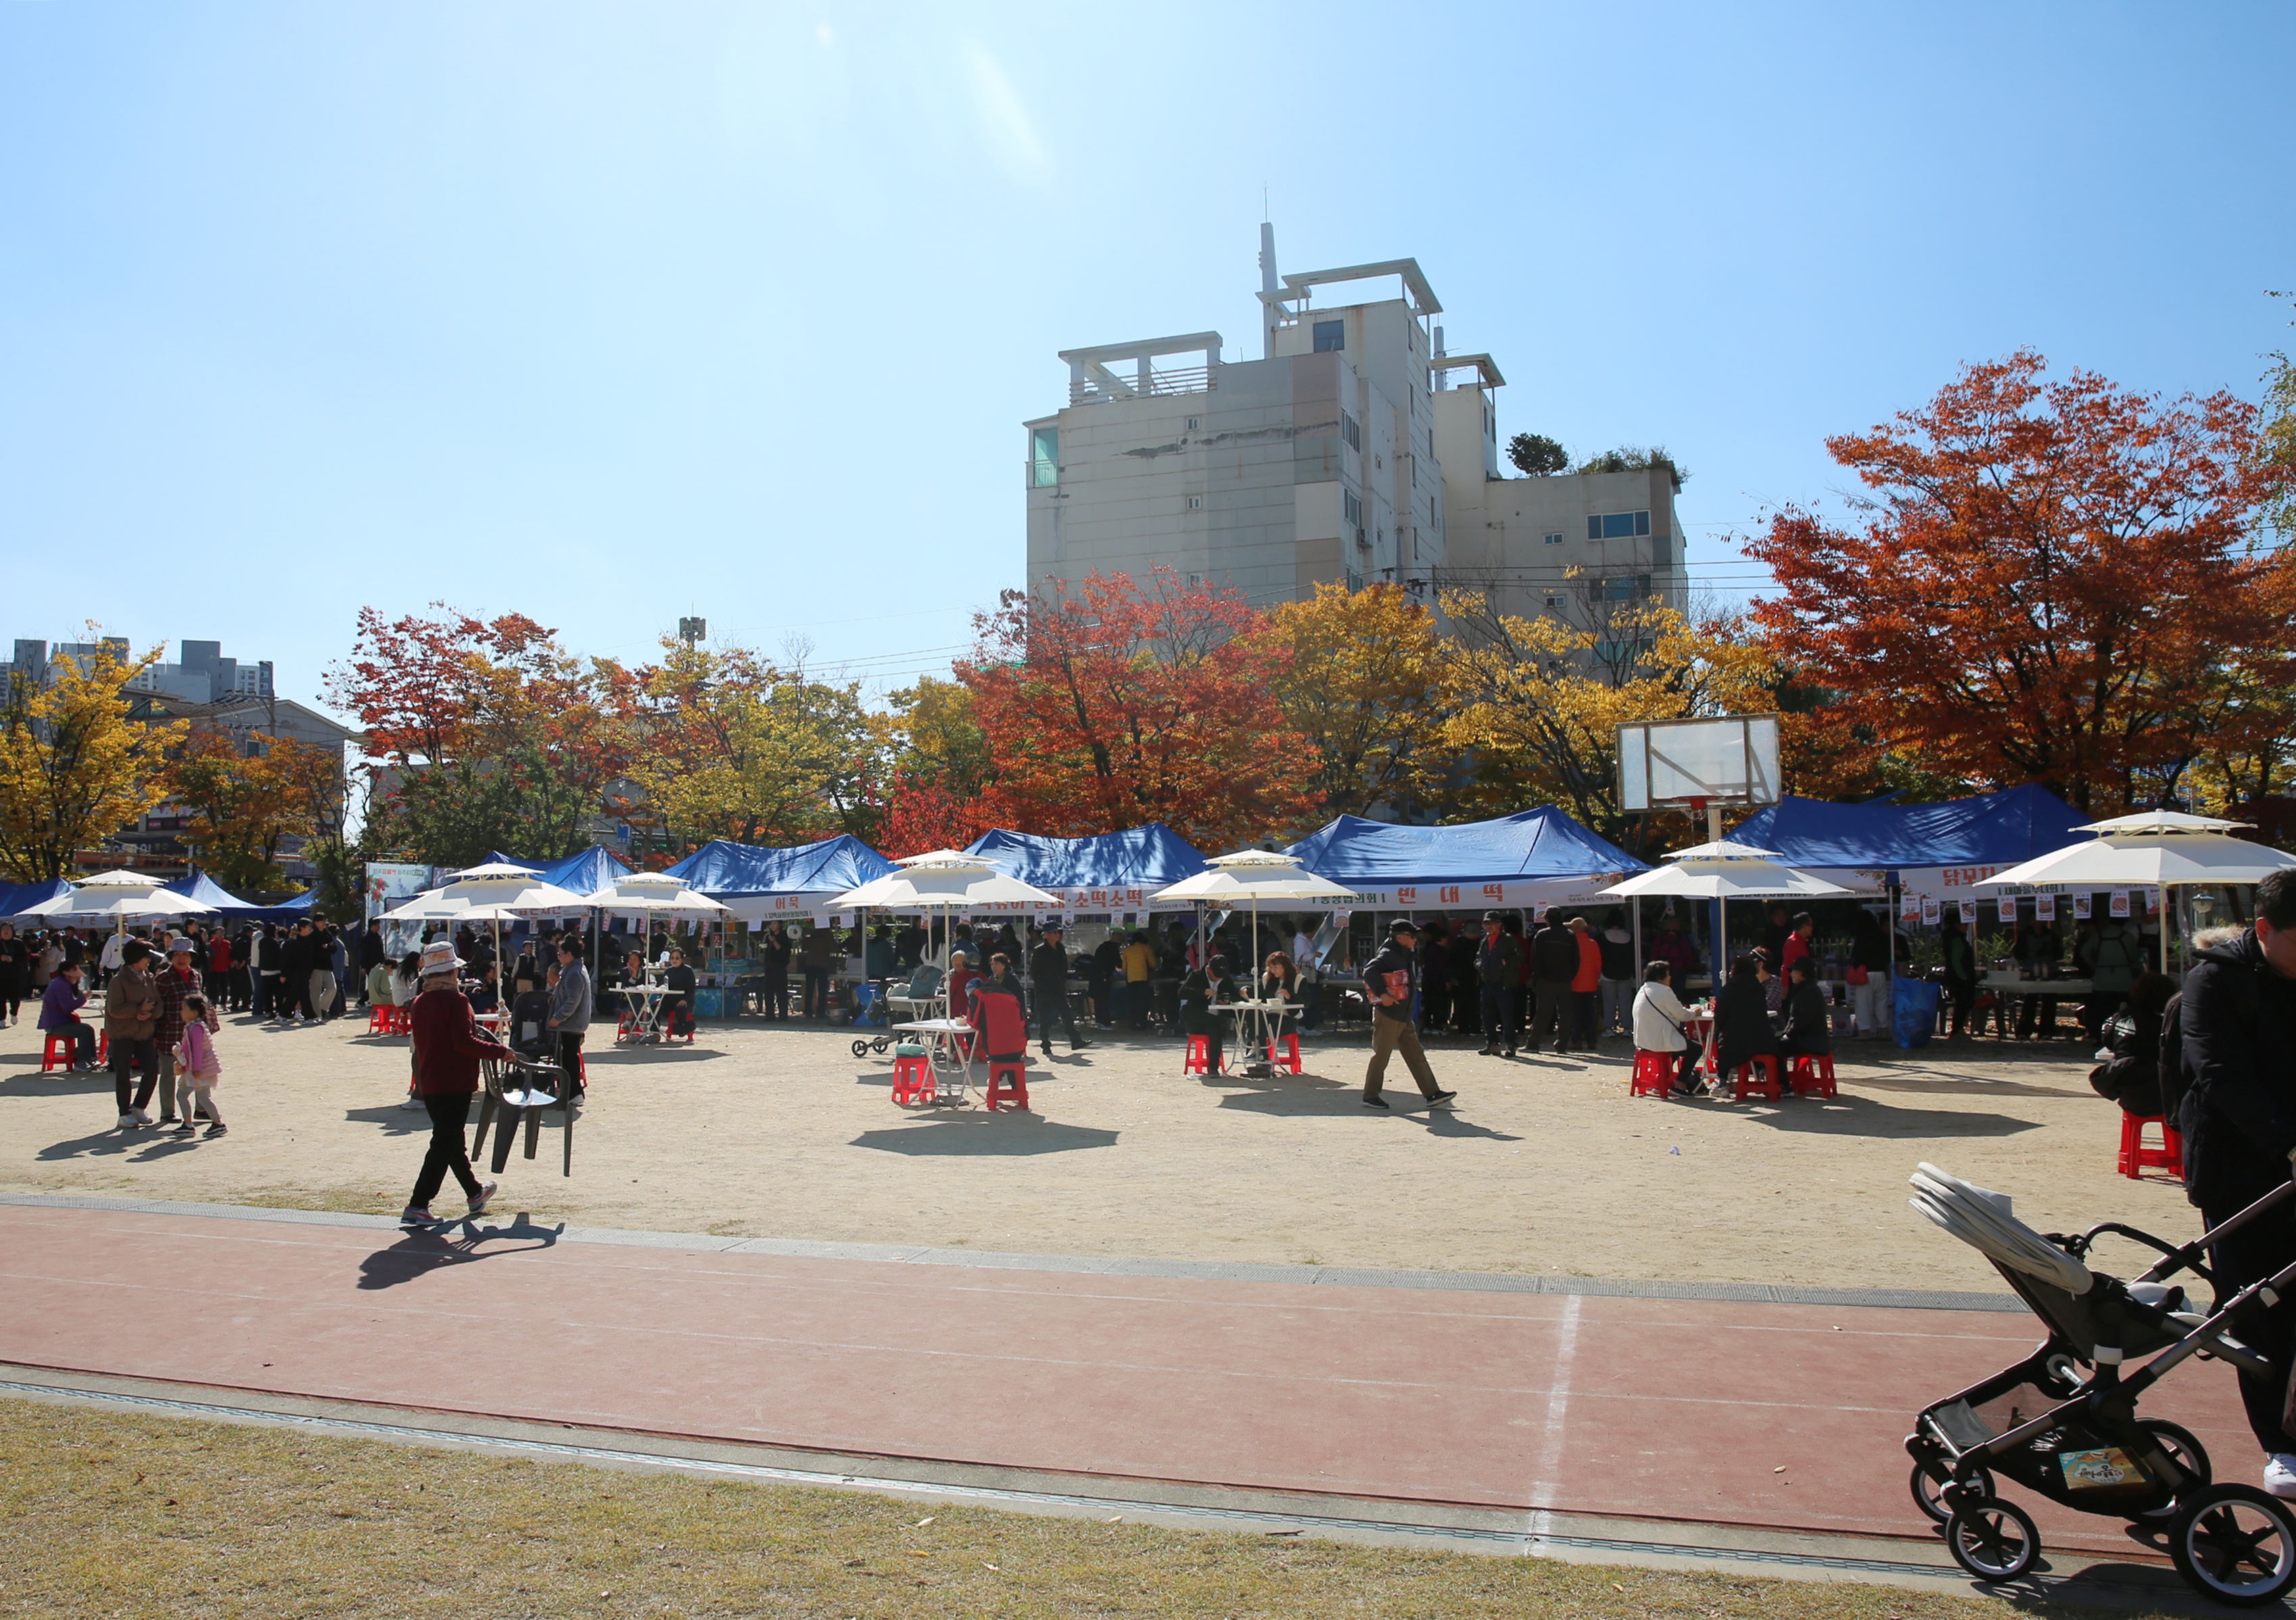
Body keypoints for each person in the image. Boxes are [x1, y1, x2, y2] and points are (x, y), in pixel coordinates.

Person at [2176, 869, 2296, 1496]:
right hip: (2238, 1178)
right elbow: (2220, 1075)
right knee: (2258, 1314)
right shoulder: (2215, 982)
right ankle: (2281, 1449)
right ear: (2262, 930)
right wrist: (2287, 1143)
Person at [402, 940, 501, 1225]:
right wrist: (500, 1052)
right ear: (451, 973)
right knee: (444, 1143)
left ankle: (474, 1192)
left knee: (451, 1142)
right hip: (455, 1081)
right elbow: (464, 1043)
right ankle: (418, 1203)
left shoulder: (419, 1003)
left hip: (430, 1080)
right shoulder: (457, 1001)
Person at [1359, 919, 1454, 1111]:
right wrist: (1382, 994)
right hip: (1389, 1015)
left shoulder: (1401, 954)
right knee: (1381, 1056)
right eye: (1412, 937)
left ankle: (1432, 1094)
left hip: (1403, 1015)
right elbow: (1369, 972)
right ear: (1401, 938)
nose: (1415, 941)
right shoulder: (1388, 954)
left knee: (1416, 1055)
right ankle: (1370, 1096)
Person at [2090, 970, 2173, 1117]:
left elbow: (2108, 1041)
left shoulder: (2121, 1016)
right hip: (2161, 1097)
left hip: (2126, 1092)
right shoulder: (2163, 1024)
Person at [154, 936, 216, 1126]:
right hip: (169, 1032)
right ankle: (167, 1112)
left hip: (195, 1035)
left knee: (200, 1069)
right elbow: (158, 1008)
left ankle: (201, 1108)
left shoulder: (197, 976)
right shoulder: (163, 978)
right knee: (169, 1074)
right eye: (177, 955)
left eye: (185, 955)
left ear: (191, 957)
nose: (181, 958)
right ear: (171, 957)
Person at [106, 940, 164, 1129]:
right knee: (123, 1074)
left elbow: (158, 1004)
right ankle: (124, 1113)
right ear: (136, 958)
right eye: (147, 957)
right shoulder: (118, 981)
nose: (149, 961)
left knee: (152, 1070)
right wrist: (138, 1009)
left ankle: (139, 1107)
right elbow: (114, 1009)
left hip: (144, 1032)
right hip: (122, 1033)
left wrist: (151, 1013)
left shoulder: (149, 978)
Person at [1633, 961, 1704, 1096]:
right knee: (1696, 1049)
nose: (1670, 978)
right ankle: (1681, 1083)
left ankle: (1661, 1080)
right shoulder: (1664, 991)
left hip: (1643, 1040)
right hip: (1659, 1040)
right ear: (1660, 978)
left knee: (1676, 1047)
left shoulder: (1643, 989)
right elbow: (1682, 1015)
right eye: (1667, 975)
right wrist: (1696, 1013)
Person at [1712, 954, 1781, 1090]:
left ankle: (1723, 1083)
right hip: (1761, 1040)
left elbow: (1720, 1016)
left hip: (1736, 1043)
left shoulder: (1729, 989)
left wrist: (1723, 1027)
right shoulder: (1759, 989)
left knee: (1722, 1039)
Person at [1025, 925, 1089, 1056]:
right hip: (1044, 988)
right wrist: (1042, 983)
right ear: (1046, 935)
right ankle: (1045, 1043)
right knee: (1044, 1017)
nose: (1057, 935)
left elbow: (1063, 968)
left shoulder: (1061, 949)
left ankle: (1076, 1040)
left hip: (1058, 988)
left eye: (1058, 932)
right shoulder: (1040, 951)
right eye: (1054, 932)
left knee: (1066, 1014)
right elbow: (1034, 971)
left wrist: (1062, 982)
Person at [169, 994, 227, 1139]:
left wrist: (195, 1069)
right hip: (195, 1069)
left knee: (194, 1097)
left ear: (194, 1012)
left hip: (198, 1071)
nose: (181, 1012)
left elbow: (197, 1050)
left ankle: (213, 1124)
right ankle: (195, 1124)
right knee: (193, 1097)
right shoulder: (193, 1027)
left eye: (184, 1009)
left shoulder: (195, 1029)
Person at [1526, 909, 1580, 1056]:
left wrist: (1537, 978)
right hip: (1565, 980)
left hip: (1546, 980)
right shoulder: (1570, 936)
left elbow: (1535, 959)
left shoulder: (1542, 935)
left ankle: (1533, 1043)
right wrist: (1570, 976)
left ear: (1547, 919)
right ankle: (1562, 1044)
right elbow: (1576, 960)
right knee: (1565, 1014)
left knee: (1543, 1013)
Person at [968, 953, 1029, 1074]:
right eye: (992, 964)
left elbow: (1018, 1002)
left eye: (996, 964)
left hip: (1011, 1016)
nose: (993, 967)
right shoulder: (991, 980)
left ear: (1004, 965)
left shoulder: (1012, 981)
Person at [1177, 953, 1236, 1075]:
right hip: (1197, 1020)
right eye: (1216, 976)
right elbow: (1182, 992)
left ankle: (1213, 1068)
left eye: (1221, 976)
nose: (1219, 979)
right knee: (1185, 1010)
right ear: (1209, 969)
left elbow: (1233, 993)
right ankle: (1222, 1022)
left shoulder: (1225, 978)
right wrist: (1203, 992)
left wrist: (1227, 1000)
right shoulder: (1196, 975)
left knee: (1214, 1026)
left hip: (1214, 1021)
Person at [1474, 911, 1523, 1057]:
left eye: (1492, 923)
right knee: (1487, 1016)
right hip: (1487, 983)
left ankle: (1511, 1044)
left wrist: (1506, 962)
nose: (1489, 926)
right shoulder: (1484, 940)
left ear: (1499, 924)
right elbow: (1478, 956)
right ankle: (1492, 1044)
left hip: (1503, 984)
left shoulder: (1508, 940)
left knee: (1506, 1016)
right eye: (1486, 924)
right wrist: (1478, 965)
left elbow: (1520, 958)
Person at [546, 938, 592, 1097]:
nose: (559, 957)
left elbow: (573, 1000)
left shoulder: (575, 973)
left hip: (572, 1023)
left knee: (569, 1059)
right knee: (568, 1058)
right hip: (573, 1023)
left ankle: (575, 1093)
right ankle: (572, 1092)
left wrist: (559, 1016)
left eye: (561, 954)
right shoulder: (574, 970)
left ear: (570, 955)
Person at [39, 959, 99, 1071]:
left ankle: (88, 1058)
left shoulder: (60, 983)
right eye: (75, 976)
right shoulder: (61, 985)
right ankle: (81, 1062)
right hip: (56, 1024)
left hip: (58, 1022)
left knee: (88, 1029)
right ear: (67, 974)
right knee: (85, 1031)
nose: (77, 978)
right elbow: (67, 1006)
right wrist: (83, 999)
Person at [2013, 915, 2065, 1040]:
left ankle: (2046, 1031)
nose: (2036, 922)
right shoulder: (2025, 934)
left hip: (2049, 969)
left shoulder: (2051, 934)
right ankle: (2024, 1031)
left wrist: (2048, 953)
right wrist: (2031, 954)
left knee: (2049, 1001)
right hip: (2030, 970)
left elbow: (2059, 953)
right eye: (2033, 919)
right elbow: (2018, 952)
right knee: (2030, 1001)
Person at [1776, 957, 1832, 1063]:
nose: (1791, 974)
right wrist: (1785, 1033)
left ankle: (1780, 1077)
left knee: (1774, 1048)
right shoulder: (1802, 989)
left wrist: (1788, 1034)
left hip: (1812, 1040)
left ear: (1802, 972)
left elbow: (1802, 1019)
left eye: (1793, 971)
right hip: (1804, 1038)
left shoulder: (1810, 991)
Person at [1847, 910, 1890, 1039]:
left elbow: (1857, 957)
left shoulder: (1862, 937)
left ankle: (1864, 1031)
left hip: (1865, 974)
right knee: (1881, 1002)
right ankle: (1884, 1030)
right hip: (1881, 973)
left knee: (1863, 1003)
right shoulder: (1881, 935)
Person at [1939, 915, 1979, 1039]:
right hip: (1960, 979)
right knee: (1964, 1004)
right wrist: (1964, 977)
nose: (1967, 928)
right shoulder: (1957, 940)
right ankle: (1957, 1029)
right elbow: (1956, 961)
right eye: (1965, 925)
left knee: (1963, 1004)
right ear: (1958, 926)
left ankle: (1957, 1029)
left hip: (1956, 978)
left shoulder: (1952, 938)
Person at [1598, 912, 1637, 1037]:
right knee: (1625, 1002)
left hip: (1607, 973)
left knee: (1609, 1002)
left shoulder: (1602, 937)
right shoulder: (1630, 937)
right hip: (1625, 973)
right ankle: (1627, 1028)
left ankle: (1609, 1028)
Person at [1569, 917, 1603, 1051]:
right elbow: (1598, 963)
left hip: (1575, 983)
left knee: (1576, 1014)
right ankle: (1591, 1041)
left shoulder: (1572, 943)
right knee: (1590, 1014)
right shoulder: (1593, 943)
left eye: (1572, 927)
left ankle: (1577, 1040)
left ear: (1577, 929)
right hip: (1591, 984)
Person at [1415, 922, 1452, 1037]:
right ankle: (1438, 1026)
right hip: (1437, 982)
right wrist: (1446, 981)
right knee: (1439, 1006)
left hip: (1427, 981)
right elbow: (1442, 968)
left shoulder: (1429, 949)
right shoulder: (1440, 951)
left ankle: (1427, 1026)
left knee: (1428, 1006)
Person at [1259, 951, 1303, 1043]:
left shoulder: (1298, 979)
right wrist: (1246, 991)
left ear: (1285, 966)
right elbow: (1260, 995)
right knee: (1254, 1021)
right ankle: (1255, 1050)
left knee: (1262, 1026)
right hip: (1269, 1014)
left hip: (1288, 1017)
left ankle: (1261, 1051)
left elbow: (1307, 1001)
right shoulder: (1267, 978)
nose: (1273, 970)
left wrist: (1290, 996)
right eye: (1270, 968)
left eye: (1276, 967)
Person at [1121, 929, 1156, 1030]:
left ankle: (1132, 1023)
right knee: (1142, 1001)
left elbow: (1124, 968)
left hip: (1131, 979)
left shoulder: (1127, 950)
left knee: (1132, 1001)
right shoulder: (1146, 948)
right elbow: (1153, 964)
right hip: (1143, 978)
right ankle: (1141, 1023)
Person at [757, 922, 793, 1021]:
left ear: (780, 925)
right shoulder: (768, 936)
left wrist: (774, 942)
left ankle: (783, 1016)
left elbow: (783, 951)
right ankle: (769, 1015)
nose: (772, 926)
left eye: (775, 924)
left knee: (781, 992)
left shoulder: (784, 936)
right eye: (771, 924)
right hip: (769, 966)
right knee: (768, 991)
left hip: (780, 966)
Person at [799, 924, 833, 1020]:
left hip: (810, 964)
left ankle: (808, 1010)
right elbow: (834, 948)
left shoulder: (812, 934)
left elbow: (804, 947)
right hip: (823, 964)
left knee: (810, 989)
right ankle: (821, 1011)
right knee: (822, 990)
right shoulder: (828, 935)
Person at [660, 947, 696, 1037]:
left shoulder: (688, 970)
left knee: (681, 1007)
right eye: (672, 958)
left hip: (685, 999)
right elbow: (664, 986)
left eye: (677, 958)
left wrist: (685, 1000)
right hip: (671, 999)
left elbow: (692, 988)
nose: (674, 960)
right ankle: (654, 1031)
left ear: (682, 959)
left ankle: (681, 1028)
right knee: (655, 1007)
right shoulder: (668, 971)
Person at [0, 922, 28, 1028]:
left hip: (15, 975)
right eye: (3, 930)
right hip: (1, 975)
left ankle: (14, 1013)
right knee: (1, 998)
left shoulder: (19, 943)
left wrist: (13, 959)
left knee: (15, 998)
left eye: (8, 929)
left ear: (12, 932)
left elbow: (25, 957)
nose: (5, 931)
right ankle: (2, 1019)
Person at [358, 919, 385, 1005]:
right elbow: (363, 953)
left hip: (379, 964)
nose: (379, 927)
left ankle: (374, 1001)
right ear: (372, 926)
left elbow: (381, 951)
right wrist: (364, 966)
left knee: (378, 984)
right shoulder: (366, 938)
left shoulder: (378, 937)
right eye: (378, 925)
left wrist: (384, 963)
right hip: (370, 965)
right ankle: (362, 1001)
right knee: (373, 985)